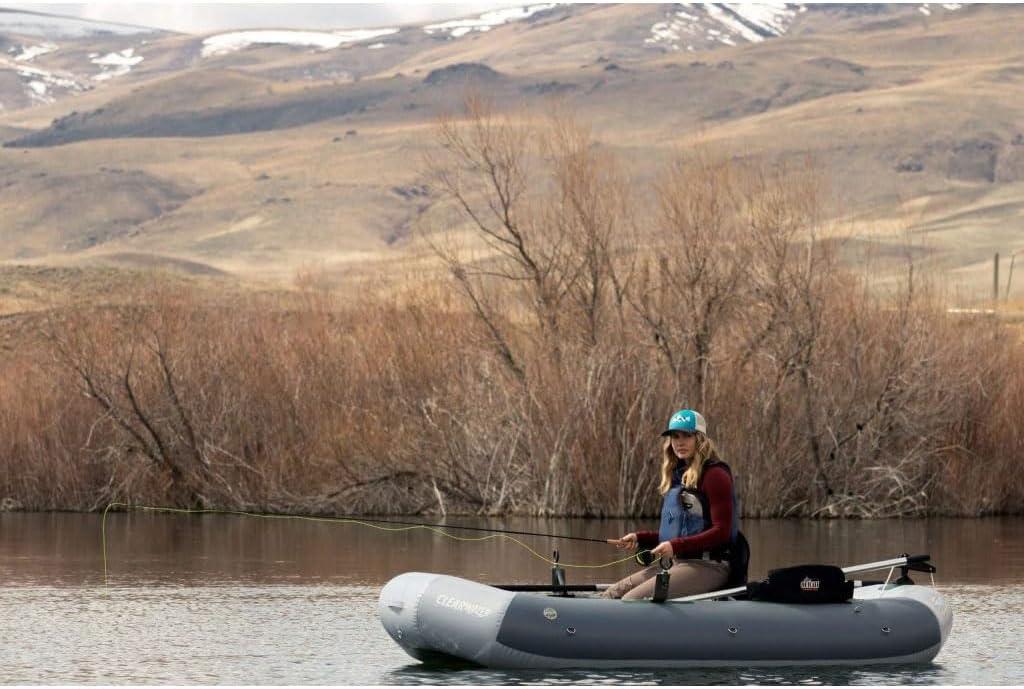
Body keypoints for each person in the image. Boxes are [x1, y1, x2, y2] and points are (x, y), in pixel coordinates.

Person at [603, 409, 739, 600]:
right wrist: (640, 538)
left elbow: (722, 531)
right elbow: (679, 534)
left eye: (687, 436)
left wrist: (675, 546)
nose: (679, 442)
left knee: (631, 601)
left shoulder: (715, 475)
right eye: (675, 436)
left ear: (700, 439)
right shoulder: (678, 476)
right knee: (610, 595)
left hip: (710, 566)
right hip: (677, 564)